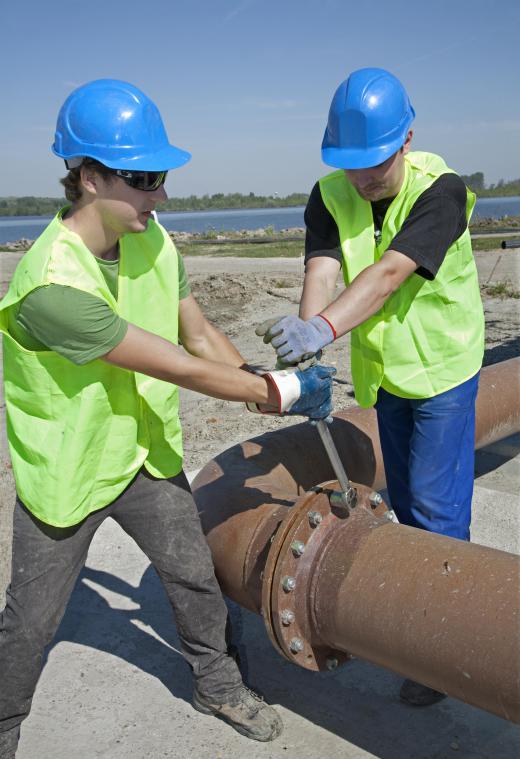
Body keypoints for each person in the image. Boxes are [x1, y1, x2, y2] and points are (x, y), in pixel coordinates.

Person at [0, 78, 336, 757]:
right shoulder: (51, 286)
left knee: (191, 571)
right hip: (67, 472)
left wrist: (261, 379)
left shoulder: (154, 241)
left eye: (162, 176)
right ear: (89, 178)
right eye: (144, 176)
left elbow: (199, 335)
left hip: (142, 454)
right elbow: (172, 365)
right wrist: (280, 393)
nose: (161, 193)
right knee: (31, 622)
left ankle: (216, 682)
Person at [258, 67, 484, 707]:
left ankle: (441, 646)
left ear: (406, 138)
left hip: (442, 370)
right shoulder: (329, 194)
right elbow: (323, 267)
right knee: (407, 500)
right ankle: (417, 617)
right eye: (350, 163)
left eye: (375, 163)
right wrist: (307, 342)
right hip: (384, 375)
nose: (362, 177)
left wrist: (321, 329)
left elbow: (388, 273)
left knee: (439, 513)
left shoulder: (442, 191)